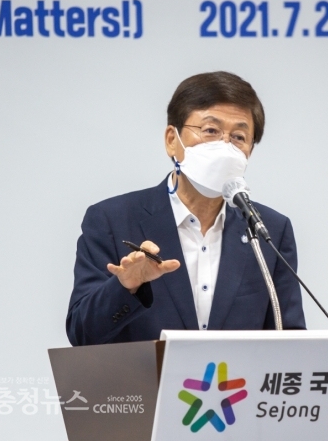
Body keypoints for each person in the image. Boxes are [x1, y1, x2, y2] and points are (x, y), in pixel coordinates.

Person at [66, 71, 306, 346]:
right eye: (210, 131)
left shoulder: (268, 230)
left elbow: (290, 341)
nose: (224, 146)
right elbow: (81, 334)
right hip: (145, 376)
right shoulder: (112, 220)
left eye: (239, 137)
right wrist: (125, 288)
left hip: (237, 377)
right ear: (172, 140)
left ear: (250, 150)